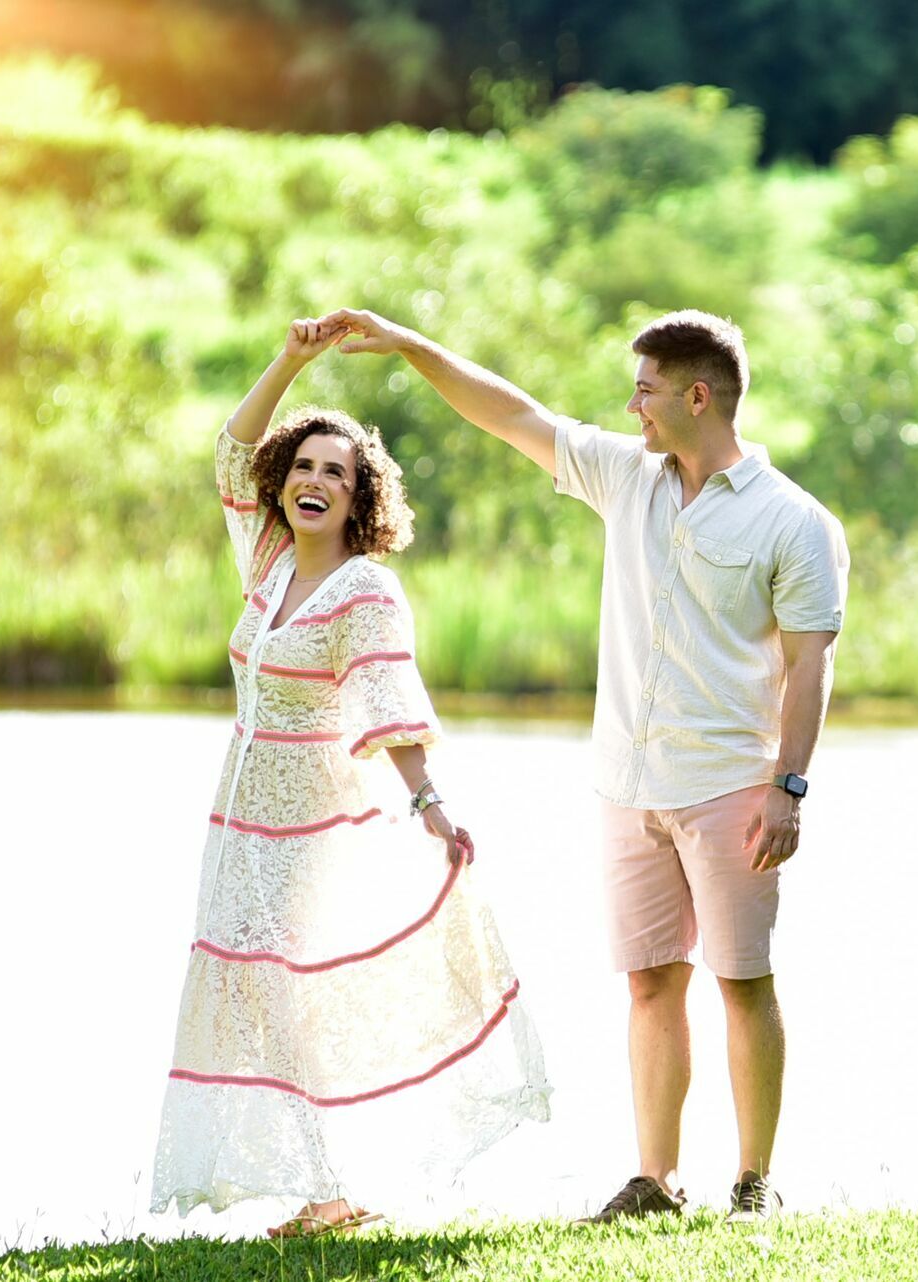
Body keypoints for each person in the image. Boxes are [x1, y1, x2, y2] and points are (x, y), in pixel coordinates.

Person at [324, 305, 848, 1225]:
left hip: (732, 784)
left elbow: (810, 666)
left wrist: (790, 785)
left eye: (645, 387)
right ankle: (657, 1180)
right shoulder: (626, 476)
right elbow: (512, 414)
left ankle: (754, 1184)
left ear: (697, 395)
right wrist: (410, 346)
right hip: (624, 784)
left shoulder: (796, 523)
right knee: (650, 981)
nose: (631, 404)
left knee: (742, 980)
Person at [149, 318, 550, 1236]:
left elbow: (387, 697)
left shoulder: (364, 590)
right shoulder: (266, 560)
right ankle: (327, 1181)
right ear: (281, 486)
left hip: (314, 822)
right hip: (238, 820)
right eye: (304, 467)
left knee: (288, 988)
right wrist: (292, 359)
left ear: (361, 496)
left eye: (337, 472)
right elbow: (230, 451)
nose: (315, 482)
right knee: (252, 988)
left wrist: (431, 803)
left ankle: (333, 1186)